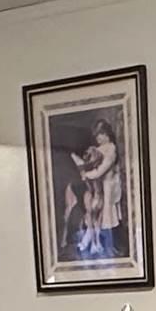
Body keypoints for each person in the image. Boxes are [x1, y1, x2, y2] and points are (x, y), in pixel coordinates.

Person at [60, 114, 127, 265]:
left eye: (100, 135)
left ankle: (107, 246)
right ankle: (90, 244)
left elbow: (100, 169)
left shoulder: (111, 149)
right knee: (93, 214)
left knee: (106, 215)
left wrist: (87, 173)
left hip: (107, 186)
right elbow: (91, 162)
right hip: (96, 186)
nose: (98, 138)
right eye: (96, 135)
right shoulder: (97, 149)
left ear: (106, 134)